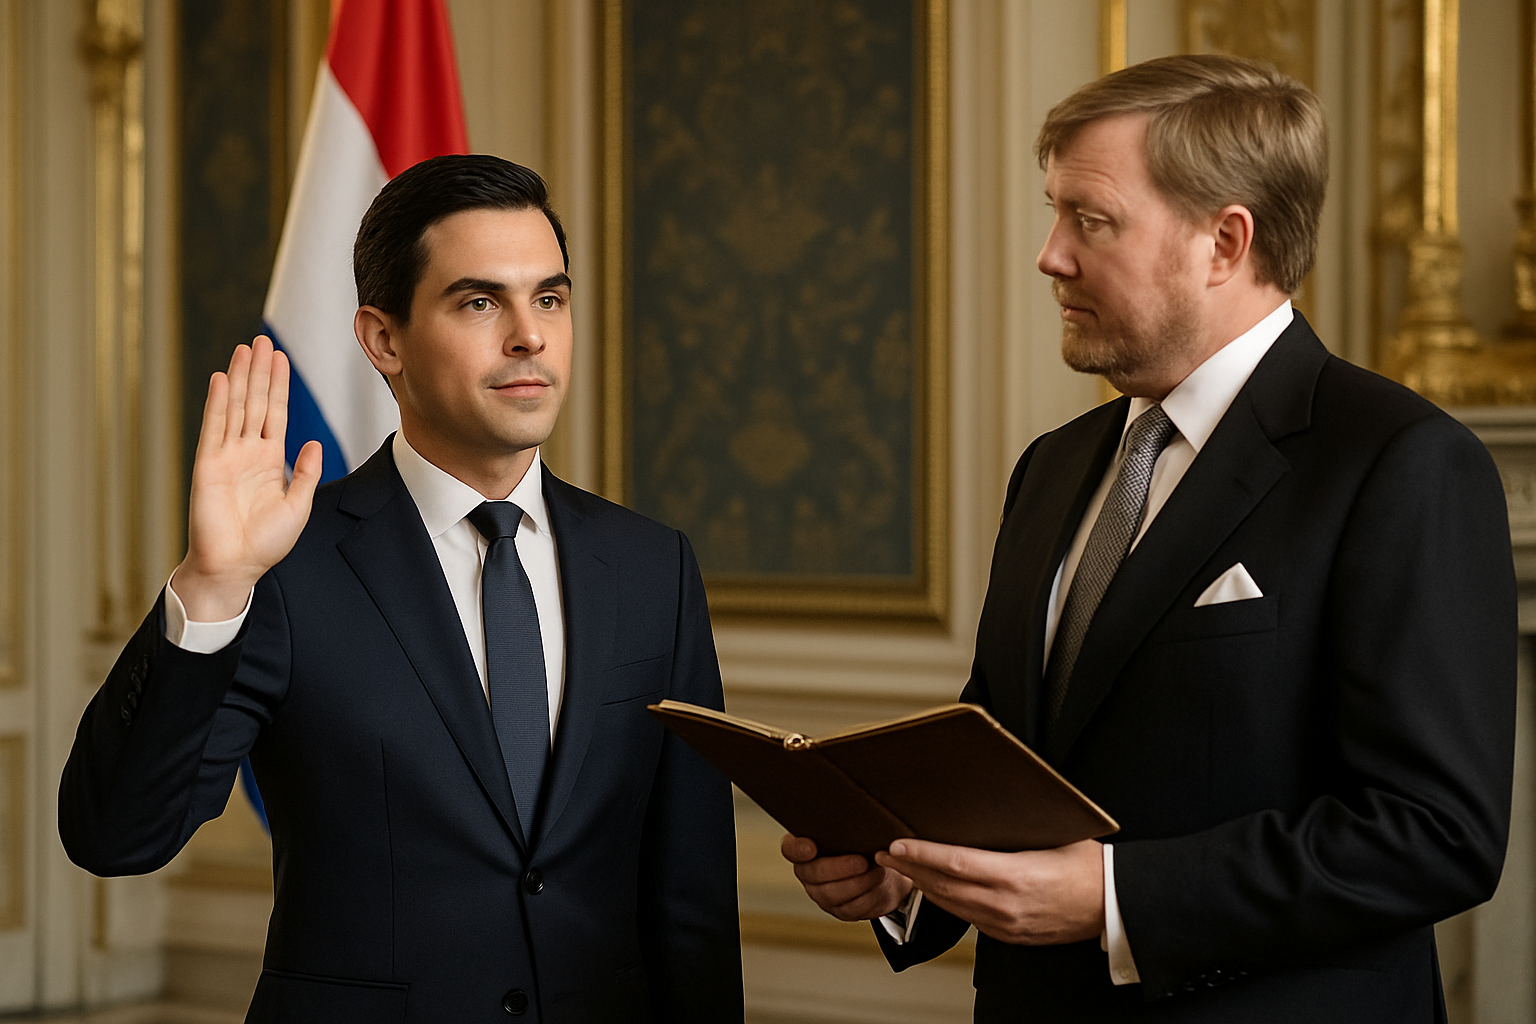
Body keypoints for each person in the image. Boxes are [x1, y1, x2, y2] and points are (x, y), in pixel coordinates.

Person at [783, 54, 1516, 1021]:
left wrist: (1116, 899)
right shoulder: (1051, 466)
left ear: (1225, 241)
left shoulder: (1401, 462)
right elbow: (1008, 756)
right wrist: (905, 872)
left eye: (1089, 220)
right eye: (1055, 214)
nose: (1050, 256)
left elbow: (1435, 835)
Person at [60, 155, 743, 1023]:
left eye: (549, 299)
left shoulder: (654, 568)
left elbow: (692, 904)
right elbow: (115, 835)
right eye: (480, 302)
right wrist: (213, 583)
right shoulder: (284, 568)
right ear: (384, 340)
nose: (529, 337)